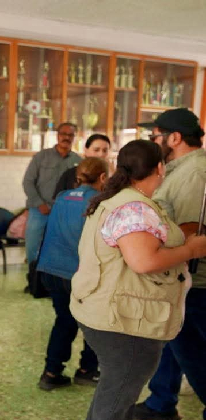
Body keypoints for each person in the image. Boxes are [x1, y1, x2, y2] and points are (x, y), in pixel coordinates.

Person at [70, 140, 206, 420]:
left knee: (113, 393)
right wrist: (191, 250)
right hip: (124, 322)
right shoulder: (134, 208)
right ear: (160, 168)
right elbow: (144, 261)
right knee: (116, 399)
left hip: (109, 310)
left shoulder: (122, 200)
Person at [133, 108, 206, 420]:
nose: (152, 140)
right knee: (172, 340)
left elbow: (190, 234)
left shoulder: (195, 174)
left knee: (192, 353)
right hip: (176, 277)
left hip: (194, 282)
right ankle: (160, 403)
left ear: (174, 138)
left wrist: (148, 253)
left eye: (156, 135)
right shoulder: (178, 170)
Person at [36, 157, 108, 391]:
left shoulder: (61, 197)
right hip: (77, 272)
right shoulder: (99, 202)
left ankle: (51, 372)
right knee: (92, 322)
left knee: (64, 320)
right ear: (103, 177)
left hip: (51, 269)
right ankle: (87, 370)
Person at [22, 122, 82, 264]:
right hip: (40, 210)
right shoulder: (41, 156)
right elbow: (28, 182)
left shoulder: (78, 161)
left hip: (64, 213)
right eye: (63, 134)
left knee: (61, 248)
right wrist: (40, 204)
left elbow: (80, 189)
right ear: (57, 136)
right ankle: (32, 275)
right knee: (32, 246)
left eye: (70, 135)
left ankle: (51, 277)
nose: (67, 138)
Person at [53, 134, 111, 198]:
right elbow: (58, 199)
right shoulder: (70, 174)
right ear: (86, 150)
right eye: (96, 150)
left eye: (105, 150)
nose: (101, 154)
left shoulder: (112, 175)